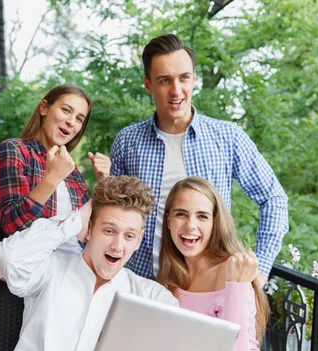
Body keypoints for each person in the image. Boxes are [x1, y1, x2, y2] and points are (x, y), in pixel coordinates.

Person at [110, 33, 288, 286]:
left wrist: (261, 269)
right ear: (148, 85)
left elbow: (274, 198)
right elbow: (115, 214)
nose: (176, 90)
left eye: (184, 78)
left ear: (194, 79)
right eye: (164, 80)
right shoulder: (128, 142)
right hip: (140, 283)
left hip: (211, 288)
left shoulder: (228, 137)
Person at [0, 176, 181, 351]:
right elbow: (7, 258)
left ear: (138, 241)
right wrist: (74, 221)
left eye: (129, 236)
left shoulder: (153, 298)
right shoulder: (50, 270)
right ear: (89, 229)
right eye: (109, 231)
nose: (118, 246)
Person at [157, 177, 289, 351]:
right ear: (168, 219)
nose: (190, 225)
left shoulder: (233, 273)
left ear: (215, 223)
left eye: (202, 216)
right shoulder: (170, 280)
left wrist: (237, 286)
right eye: (181, 214)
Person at [0, 83, 110, 257]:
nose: (71, 122)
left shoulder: (73, 173)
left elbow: (89, 232)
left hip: (69, 274)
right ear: (44, 108)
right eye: (66, 110)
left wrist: (103, 183)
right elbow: (11, 226)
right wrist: (53, 177)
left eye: (79, 119)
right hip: (26, 275)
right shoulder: (14, 151)